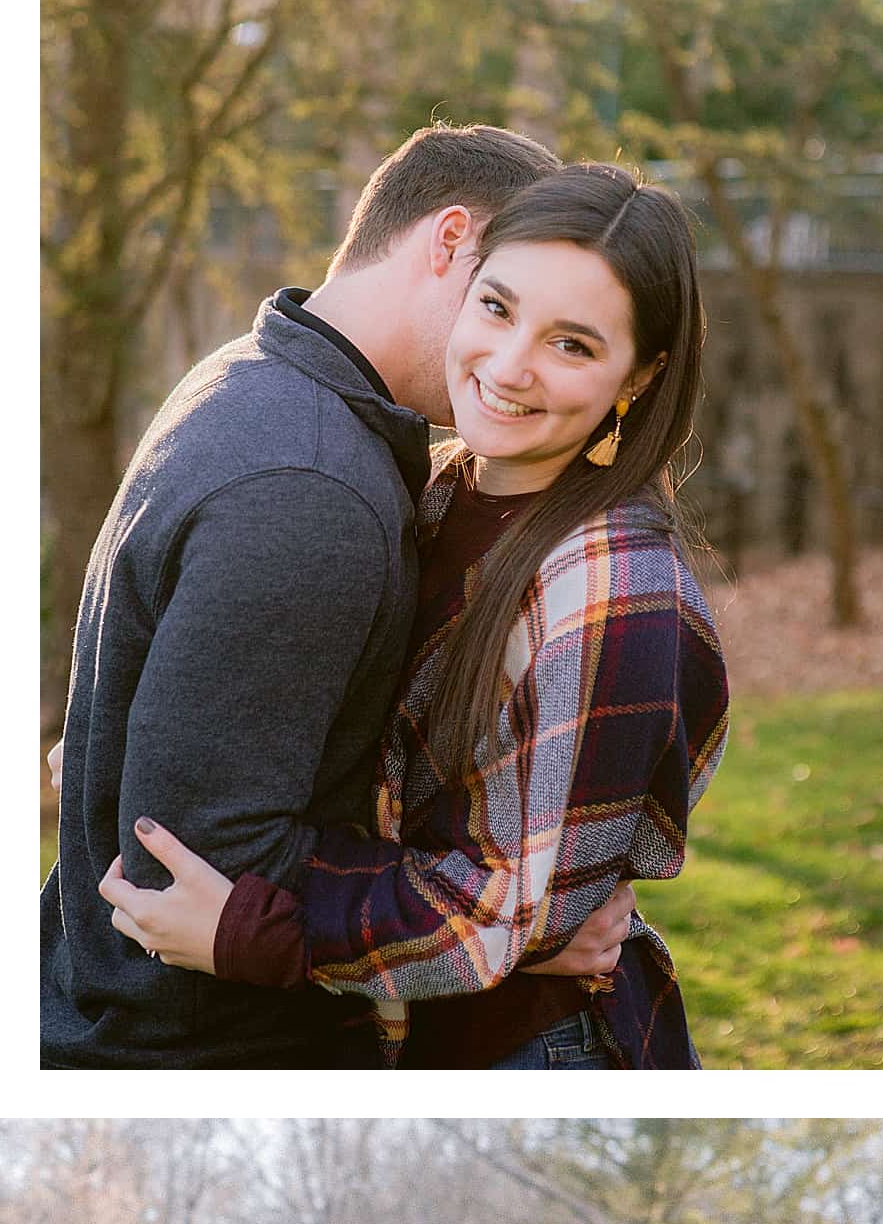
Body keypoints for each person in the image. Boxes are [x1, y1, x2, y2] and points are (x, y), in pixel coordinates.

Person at [100, 165, 731, 1068]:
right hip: (418, 1041)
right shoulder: (435, 489)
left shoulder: (614, 586)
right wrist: (149, 717)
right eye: (498, 306)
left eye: (574, 346)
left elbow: (494, 911)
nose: (510, 366)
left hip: (528, 1052)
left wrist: (262, 931)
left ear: (641, 375)